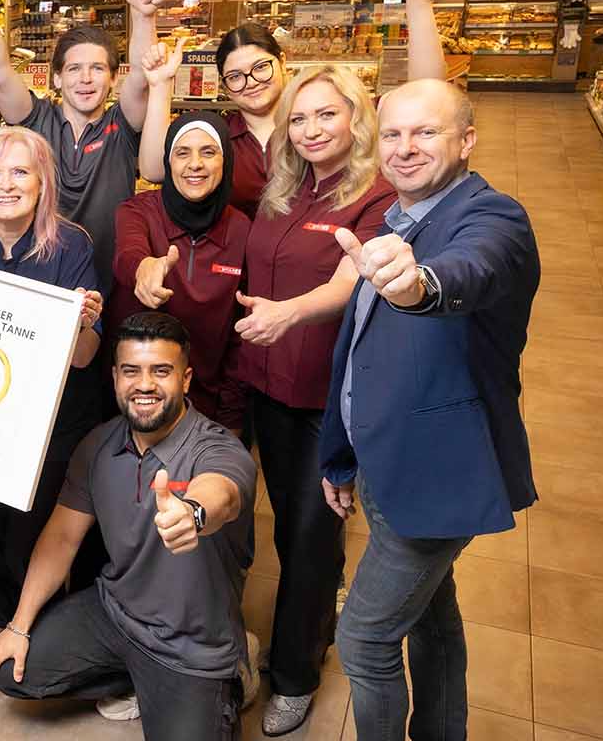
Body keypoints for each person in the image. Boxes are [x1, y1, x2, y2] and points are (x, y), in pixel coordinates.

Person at [322, 79, 539, 741]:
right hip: (388, 465)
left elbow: (472, 268)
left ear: (467, 141)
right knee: (430, 614)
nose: (405, 148)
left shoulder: (492, 217)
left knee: (361, 639)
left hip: (438, 475)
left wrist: (420, 287)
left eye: (426, 133)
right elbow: (362, 351)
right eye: (392, 134)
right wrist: (342, 454)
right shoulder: (396, 217)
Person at [0, 312, 255, 741]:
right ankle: (135, 678)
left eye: (160, 371)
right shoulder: (98, 445)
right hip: (115, 614)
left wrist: (193, 514)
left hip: (192, 648)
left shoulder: (219, 447)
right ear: (115, 378)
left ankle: (236, 673)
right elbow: (61, 538)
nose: (144, 385)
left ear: (185, 380)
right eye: (132, 371)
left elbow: (222, 491)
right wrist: (17, 625)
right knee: (12, 674)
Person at [232, 63, 395, 736]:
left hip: (322, 399)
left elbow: (349, 280)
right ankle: (306, 625)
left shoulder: (377, 196)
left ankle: (296, 674)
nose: (311, 129)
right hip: (264, 384)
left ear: (356, 117)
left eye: (326, 114)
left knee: (307, 535)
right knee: (292, 530)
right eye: (299, 118)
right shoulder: (286, 189)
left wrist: (287, 315)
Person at [0, 126, 106, 645]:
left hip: (54, 418)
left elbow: (85, 360)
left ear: (42, 183)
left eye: (20, 172)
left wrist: (82, 323)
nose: (6, 184)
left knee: (29, 524)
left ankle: (37, 613)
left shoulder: (71, 246)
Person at [0, 0, 169, 282]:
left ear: (114, 78)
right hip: (41, 279)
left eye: (97, 68)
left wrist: (143, 16)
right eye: (73, 69)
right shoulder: (34, 120)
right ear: (55, 77)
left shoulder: (121, 126)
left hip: (110, 281)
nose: (85, 79)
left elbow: (141, 79)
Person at [214, 0, 448, 216]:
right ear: (224, 86)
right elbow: (160, 168)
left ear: (281, 62)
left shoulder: (341, 107)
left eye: (260, 68)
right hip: (251, 252)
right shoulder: (220, 135)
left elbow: (426, 95)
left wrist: (418, 1)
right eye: (235, 76)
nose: (252, 82)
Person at [112, 40, 250, 432]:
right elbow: (129, 254)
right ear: (168, 159)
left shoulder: (241, 230)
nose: (195, 164)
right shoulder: (137, 211)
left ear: (226, 161)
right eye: (182, 152)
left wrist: (231, 419)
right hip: (131, 406)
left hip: (205, 411)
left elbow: (241, 338)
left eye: (209, 153)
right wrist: (145, 269)